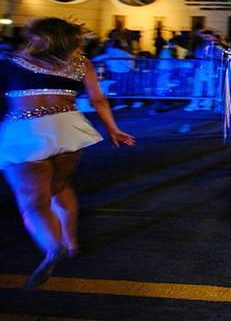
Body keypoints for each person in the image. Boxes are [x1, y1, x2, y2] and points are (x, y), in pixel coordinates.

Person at [0, 18, 135, 287]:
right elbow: (98, 99)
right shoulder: (80, 62)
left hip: (25, 131)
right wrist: (113, 129)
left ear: (40, 37)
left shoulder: (10, 62)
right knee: (60, 187)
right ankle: (71, 242)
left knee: (32, 202)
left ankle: (52, 247)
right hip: (68, 126)